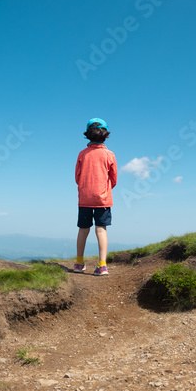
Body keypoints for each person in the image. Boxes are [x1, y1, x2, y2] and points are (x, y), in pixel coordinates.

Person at [74, 118, 117, 276]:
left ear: (87, 135)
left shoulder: (82, 154)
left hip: (84, 198)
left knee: (83, 229)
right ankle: (102, 265)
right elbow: (114, 179)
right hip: (103, 198)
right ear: (106, 135)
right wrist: (104, 189)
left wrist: (86, 188)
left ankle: (79, 263)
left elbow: (77, 177)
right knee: (101, 229)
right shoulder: (109, 154)